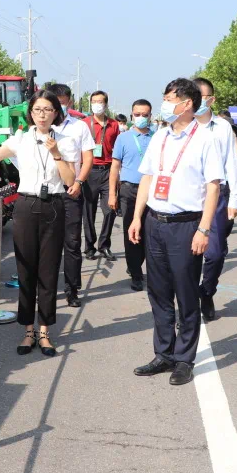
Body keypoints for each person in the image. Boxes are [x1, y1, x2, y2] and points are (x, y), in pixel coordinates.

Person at [0, 92, 75, 357]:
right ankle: (28, 330)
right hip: (26, 205)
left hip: (53, 205)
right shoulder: (19, 140)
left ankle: (44, 331)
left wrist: (55, 153)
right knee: (26, 270)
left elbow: (69, 179)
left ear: (56, 113)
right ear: (30, 112)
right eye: (38, 109)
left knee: (49, 270)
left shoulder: (66, 141)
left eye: (48, 109)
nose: (42, 114)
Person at [130, 78, 223, 386]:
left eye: (170, 98)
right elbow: (147, 178)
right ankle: (164, 353)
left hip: (186, 225)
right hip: (155, 223)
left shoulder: (204, 139)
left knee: (185, 293)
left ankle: (184, 358)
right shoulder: (159, 137)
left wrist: (204, 229)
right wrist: (136, 218)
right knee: (157, 291)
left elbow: (213, 188)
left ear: (187, 104)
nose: (165, 104)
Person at [193, 77, 237, 323]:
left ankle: (207, 291)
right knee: (187, 255)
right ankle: (189, 301)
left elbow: (231, 163)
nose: (198, 101)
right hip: (189, 197)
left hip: (218, 196)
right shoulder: (182, 124)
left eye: (203, 96)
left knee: (215, 253)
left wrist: (235, 198)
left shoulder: (222, 127)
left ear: (211, 99)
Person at [47, 83, 95, 306]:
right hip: (46, 192)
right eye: (55, 101)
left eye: (63, 100)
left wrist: (79, 181)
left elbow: (88, 159)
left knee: (72, 242)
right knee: (47, 243)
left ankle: (71, 288)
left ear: (69, 101)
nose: (59, 104)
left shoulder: (80, 127)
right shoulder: (40, 127)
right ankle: (46, 288)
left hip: (70, 191)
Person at [109, 99, 155, 292]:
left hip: (152, 191)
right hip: (129, 190)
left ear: (150, 116)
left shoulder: (157, 137)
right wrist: (112, 193)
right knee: (132, 233)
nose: (141, 118)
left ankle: (138, 264)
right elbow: (115, 166)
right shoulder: (123, 138)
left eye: (145, 115)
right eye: (137, 114)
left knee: (148, 233)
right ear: (131, 115)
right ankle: (136, 273)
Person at [82, 90, 121, 261]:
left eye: (100, 101)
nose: (97, 104)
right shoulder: (84, 124)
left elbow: (117, 151)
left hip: (108, 171)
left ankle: (104, 245)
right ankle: (89, 246)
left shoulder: (114, 125)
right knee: (88, 211)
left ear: (106, 104)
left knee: (109, 210)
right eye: (94, 101)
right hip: (89, 171)